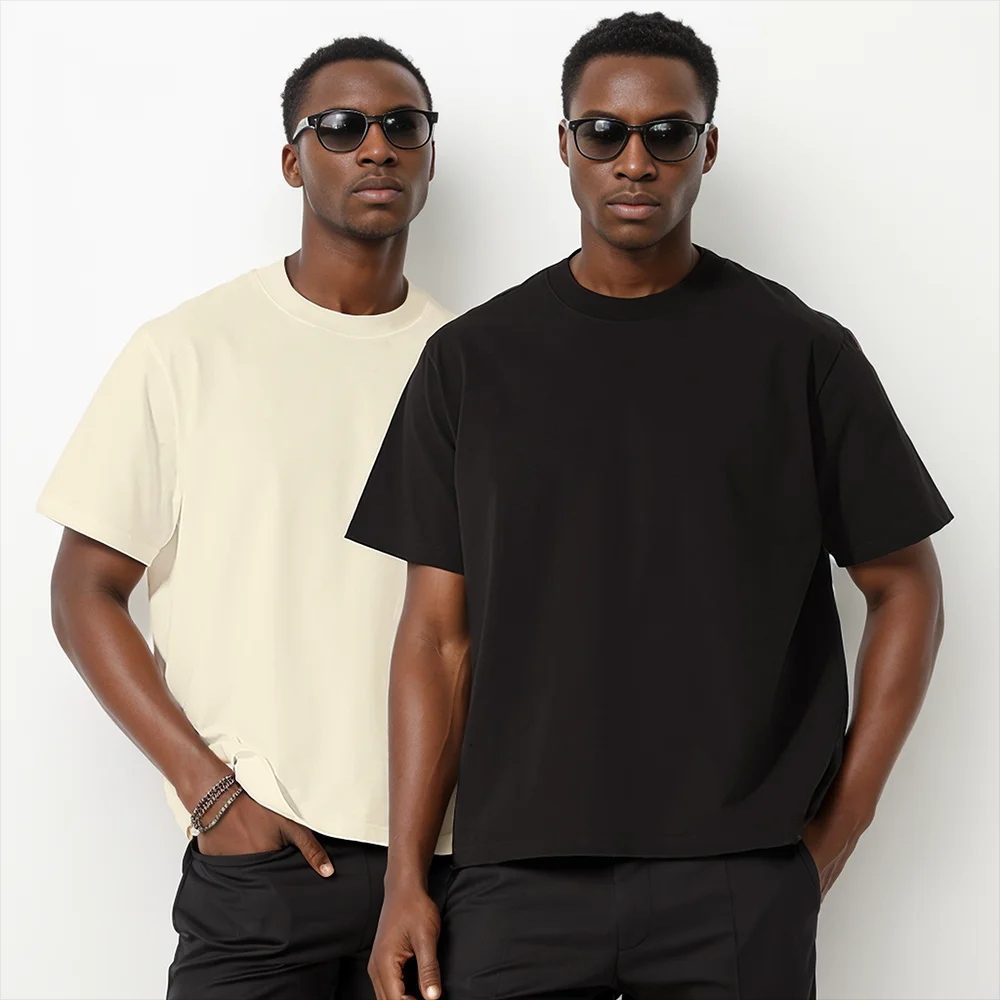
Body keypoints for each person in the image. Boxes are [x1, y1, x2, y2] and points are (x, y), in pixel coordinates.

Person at [347, 12, 953, 1000]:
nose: (635, 161)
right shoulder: (472, 362)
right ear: (565, 145)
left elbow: (906, 586)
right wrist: (405, 877)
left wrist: (837, 833)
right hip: (517, 877)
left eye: (667, 134)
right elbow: (434, 637)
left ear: (705, 148)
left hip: (738, 875)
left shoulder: (800, 353)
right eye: (605, 133)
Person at [38, 35, 454, 1000]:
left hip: (441, 865)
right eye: (340, 126)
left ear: (429, 156)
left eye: (403, 125)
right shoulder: (188, 350)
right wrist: (210, 791)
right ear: (292, 161)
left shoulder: (471, 361)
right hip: (263, 859)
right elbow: (84, 590)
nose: (376, 146)